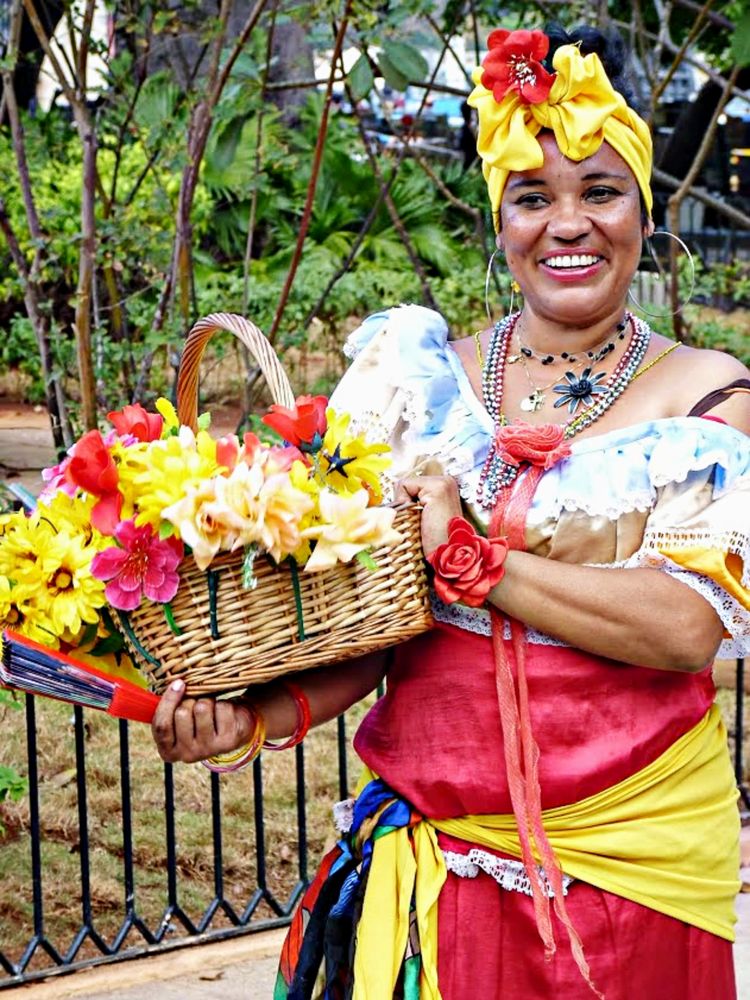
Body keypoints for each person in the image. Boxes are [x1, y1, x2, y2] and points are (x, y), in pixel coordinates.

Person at [151, 23, 750, 999]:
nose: (568, 223)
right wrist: (252, 719)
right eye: (531, 198)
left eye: (600, 192)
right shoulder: (411, 381)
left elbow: (685, 627)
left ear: (645, 211)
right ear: (498, 220)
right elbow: (369, 631)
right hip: (435, 875)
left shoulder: (707, 393)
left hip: (635, 876)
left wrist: (482, 563)